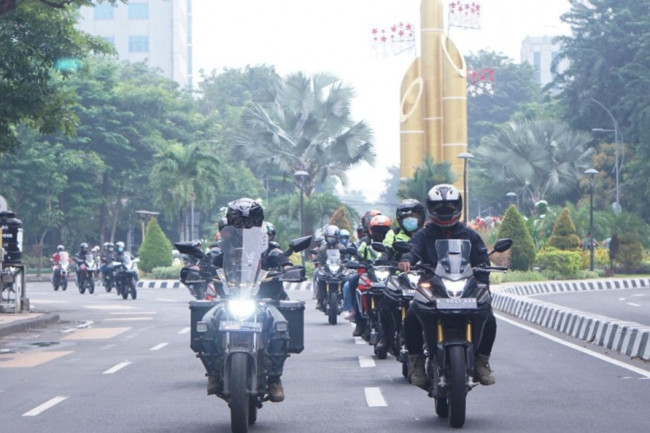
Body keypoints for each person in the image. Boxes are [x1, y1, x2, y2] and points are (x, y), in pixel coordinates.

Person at [398, 184, 496, 388]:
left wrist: (484, 271)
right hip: (432, 287)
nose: (445, 211)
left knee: (489, 317)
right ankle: (416, 363)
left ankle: (481, 361)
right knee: (412, 317)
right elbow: (413, 250)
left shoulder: (469, 234)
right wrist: (407, 259)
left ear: (458, 206)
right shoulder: (423, 235)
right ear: (431, 209)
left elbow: (482, 258)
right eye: (440, 207)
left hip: (464, 286)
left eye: (450, 207)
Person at [206, 197, 294, 402]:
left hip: (261, 300)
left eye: (249, 222)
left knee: (280, 326)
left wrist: (289, 268)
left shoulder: (267, 247)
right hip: (229, 299)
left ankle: (274, 379)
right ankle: (212, 374)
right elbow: (209, 258)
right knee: (206, 325)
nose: (244, 226)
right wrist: (196, 267)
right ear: (231, 222)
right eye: (239, 222)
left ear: (258, 222)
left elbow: (279, 257)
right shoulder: (222, 247)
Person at [374, 199, 426, 353]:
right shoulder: (394, 234)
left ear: (422, 217)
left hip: (425, 277)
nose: (410, 219)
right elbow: (386, 250)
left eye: (414, 215)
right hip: (400, 278)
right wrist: (383, 260)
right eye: (406, 217)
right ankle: (386, 337)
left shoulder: (427, 233)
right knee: (385, 301)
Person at [345, 214, 392, 335]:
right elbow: (359, 253)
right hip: (367, 272)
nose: (380, 233)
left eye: (384, 230)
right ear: (371, 230)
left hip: (387, 273)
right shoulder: (365, 242)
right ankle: (359, 320)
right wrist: (359, 260)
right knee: (354, 281)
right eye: (377, 230)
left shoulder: (391, 242)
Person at [315, 224, 349, 311]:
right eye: (329, 237)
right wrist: (319, 263)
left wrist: (345, 262)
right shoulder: (323, 248)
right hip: (327, 269)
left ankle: (346, 299)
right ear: (326, 237)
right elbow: (319, 259)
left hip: (339, 268)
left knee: (348, 278)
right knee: (317, 275)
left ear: (337, 237)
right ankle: (319, 300)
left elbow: (346, 257)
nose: (331, 239)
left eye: (333, 237)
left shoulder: (341, 247)